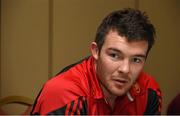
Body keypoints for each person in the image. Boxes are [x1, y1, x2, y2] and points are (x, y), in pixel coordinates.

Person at [31, 8, 162, 115]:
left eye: (136, 60)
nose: (125, 69)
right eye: (115, 55)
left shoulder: (149, 92)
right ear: (95, 51)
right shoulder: (65, 94)